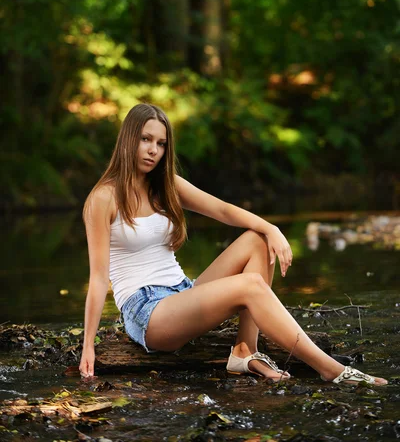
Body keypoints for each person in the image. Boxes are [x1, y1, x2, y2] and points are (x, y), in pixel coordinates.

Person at [79, 103, 387, 386]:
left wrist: (271, 228)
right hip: (146, 312)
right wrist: (89, 345)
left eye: (160, 144)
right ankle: (330, 369)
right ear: (128, 138)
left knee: (258, 241)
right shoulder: (103, 199)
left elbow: (223, 210)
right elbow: (97, 277)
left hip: (182, 292)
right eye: (146, 139)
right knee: (250, 285)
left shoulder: (167, 185)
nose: (153, 151)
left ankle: (245, 351)